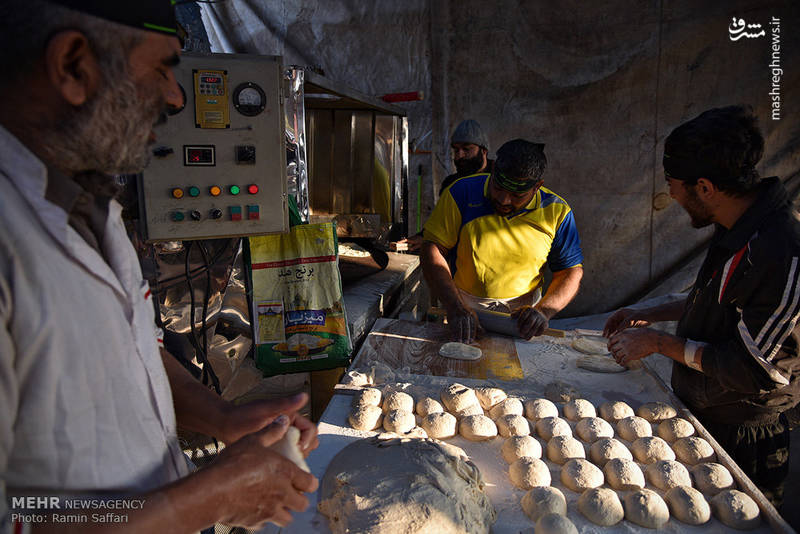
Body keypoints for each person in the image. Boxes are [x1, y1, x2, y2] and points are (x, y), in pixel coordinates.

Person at [0, 1, 318, 532]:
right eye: (162, 68)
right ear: (74, 65)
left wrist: (221, 417)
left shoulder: (91, 205)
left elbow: (129, 347)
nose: (176, 96)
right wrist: (211, 499)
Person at [604, 106, 800, 508]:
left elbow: (759, 369)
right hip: (706, 407)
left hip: (745, 432)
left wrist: (658, 342)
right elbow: (720, 303)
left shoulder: (780, 251)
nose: (671, 193)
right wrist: (651, 311)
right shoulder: (738, 227)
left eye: (672, 183)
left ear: (705, 187)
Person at [421, 139, 584, 343]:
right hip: (463, 309)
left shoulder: (557, 212)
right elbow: (433, 249)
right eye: (498, 188)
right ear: (494, 169)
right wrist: (455, 306)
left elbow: (570, 271)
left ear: (537, 187)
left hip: (523, 321)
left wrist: (543, 312)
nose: (504, 200)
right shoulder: (461, 192)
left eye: (517, 195)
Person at [394, 119, 494, 252]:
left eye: (466, 149)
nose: (460, 156)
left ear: (484, 151)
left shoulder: (498, 179)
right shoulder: (451, 184)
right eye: (456, 150)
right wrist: (423, 237)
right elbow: (441, 221)